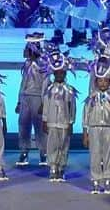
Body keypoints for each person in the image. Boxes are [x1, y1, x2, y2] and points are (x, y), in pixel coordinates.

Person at [83, 56, 110, 194]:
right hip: (94, 128)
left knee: (108, 154)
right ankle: (95, 180)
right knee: (95, 154)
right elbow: (86, 114)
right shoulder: (91, 97)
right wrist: (85, 133)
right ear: (96, 82)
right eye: (100, 81)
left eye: (105, 81)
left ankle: (107, 179)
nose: (103, 83)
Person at [41, 50, 77, 182]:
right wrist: (44, 120)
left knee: (64, 145)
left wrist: (71, 122)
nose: (59, 75)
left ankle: (61, 167)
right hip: (51, 122)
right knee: (52, 145)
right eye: (57, 73)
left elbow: (72, 107)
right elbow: (45, 105)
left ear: (65, 74)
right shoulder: (49, 89)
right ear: (54, 74)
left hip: (64, 122)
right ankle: (52, 167)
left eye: (62, 73)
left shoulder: (69, 90)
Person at [15, 32, 47, 167]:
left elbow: (46, 83)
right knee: (23, 125)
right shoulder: (27, 64)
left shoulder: (43, 64)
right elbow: (23, 83)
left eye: (28, 48)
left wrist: (44, 102)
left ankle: (43, 153)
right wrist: (18, 100)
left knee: (39, 127)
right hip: (25, 97)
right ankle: (24, 151)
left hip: (37, 98)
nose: (26, 51)